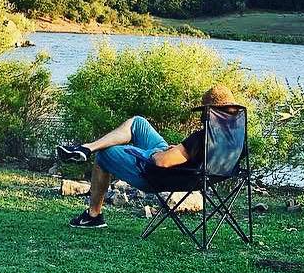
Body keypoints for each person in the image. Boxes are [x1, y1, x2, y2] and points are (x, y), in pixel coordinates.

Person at [56, 84, 237, 229]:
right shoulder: (236, 139)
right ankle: (87, 147)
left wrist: (163, 153)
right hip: (190, 174)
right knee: (138, 122)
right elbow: (200, 159)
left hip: (158, 176)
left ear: (210, 112)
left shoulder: (202, 138)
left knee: (104, 155)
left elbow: (161, 161)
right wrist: (180, 152)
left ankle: (93, 216)